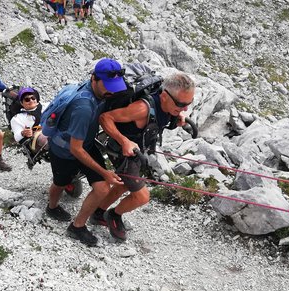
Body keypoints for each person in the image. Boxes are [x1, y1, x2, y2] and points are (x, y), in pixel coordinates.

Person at [94, 72, 195, 241]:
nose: (184, 108)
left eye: (188, 104)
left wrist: (177, 116)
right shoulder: (141, 109)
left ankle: (98, 213)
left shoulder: (169, 107)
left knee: (124, 185)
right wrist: (124, 141)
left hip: (140, 150)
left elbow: (161, 120)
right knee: (142, 197)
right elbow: (105, 118)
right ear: (164, 96)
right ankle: (114, 215)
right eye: (180, 104)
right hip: (123, 152)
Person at [45, 58, 126, 246]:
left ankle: (77, 226)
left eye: (114, 86)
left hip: (85, 144)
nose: (111, 90)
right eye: (108, 85)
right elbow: (75, 149)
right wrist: (105, 172)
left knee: (103, 187)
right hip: (65, 150)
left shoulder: (99, 92)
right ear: (93, 79)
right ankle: (52, 207)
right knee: (60, 183)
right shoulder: (83, 106)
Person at [10, 87, 47, 152]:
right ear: (21, 103)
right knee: (45, 139)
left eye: (33, 98)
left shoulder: (46, 106)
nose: (31, 100)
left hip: (51, 131)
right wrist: (23, 133)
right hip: (35, 140)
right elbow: (17, 137)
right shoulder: (17, 118)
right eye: (27, 99)